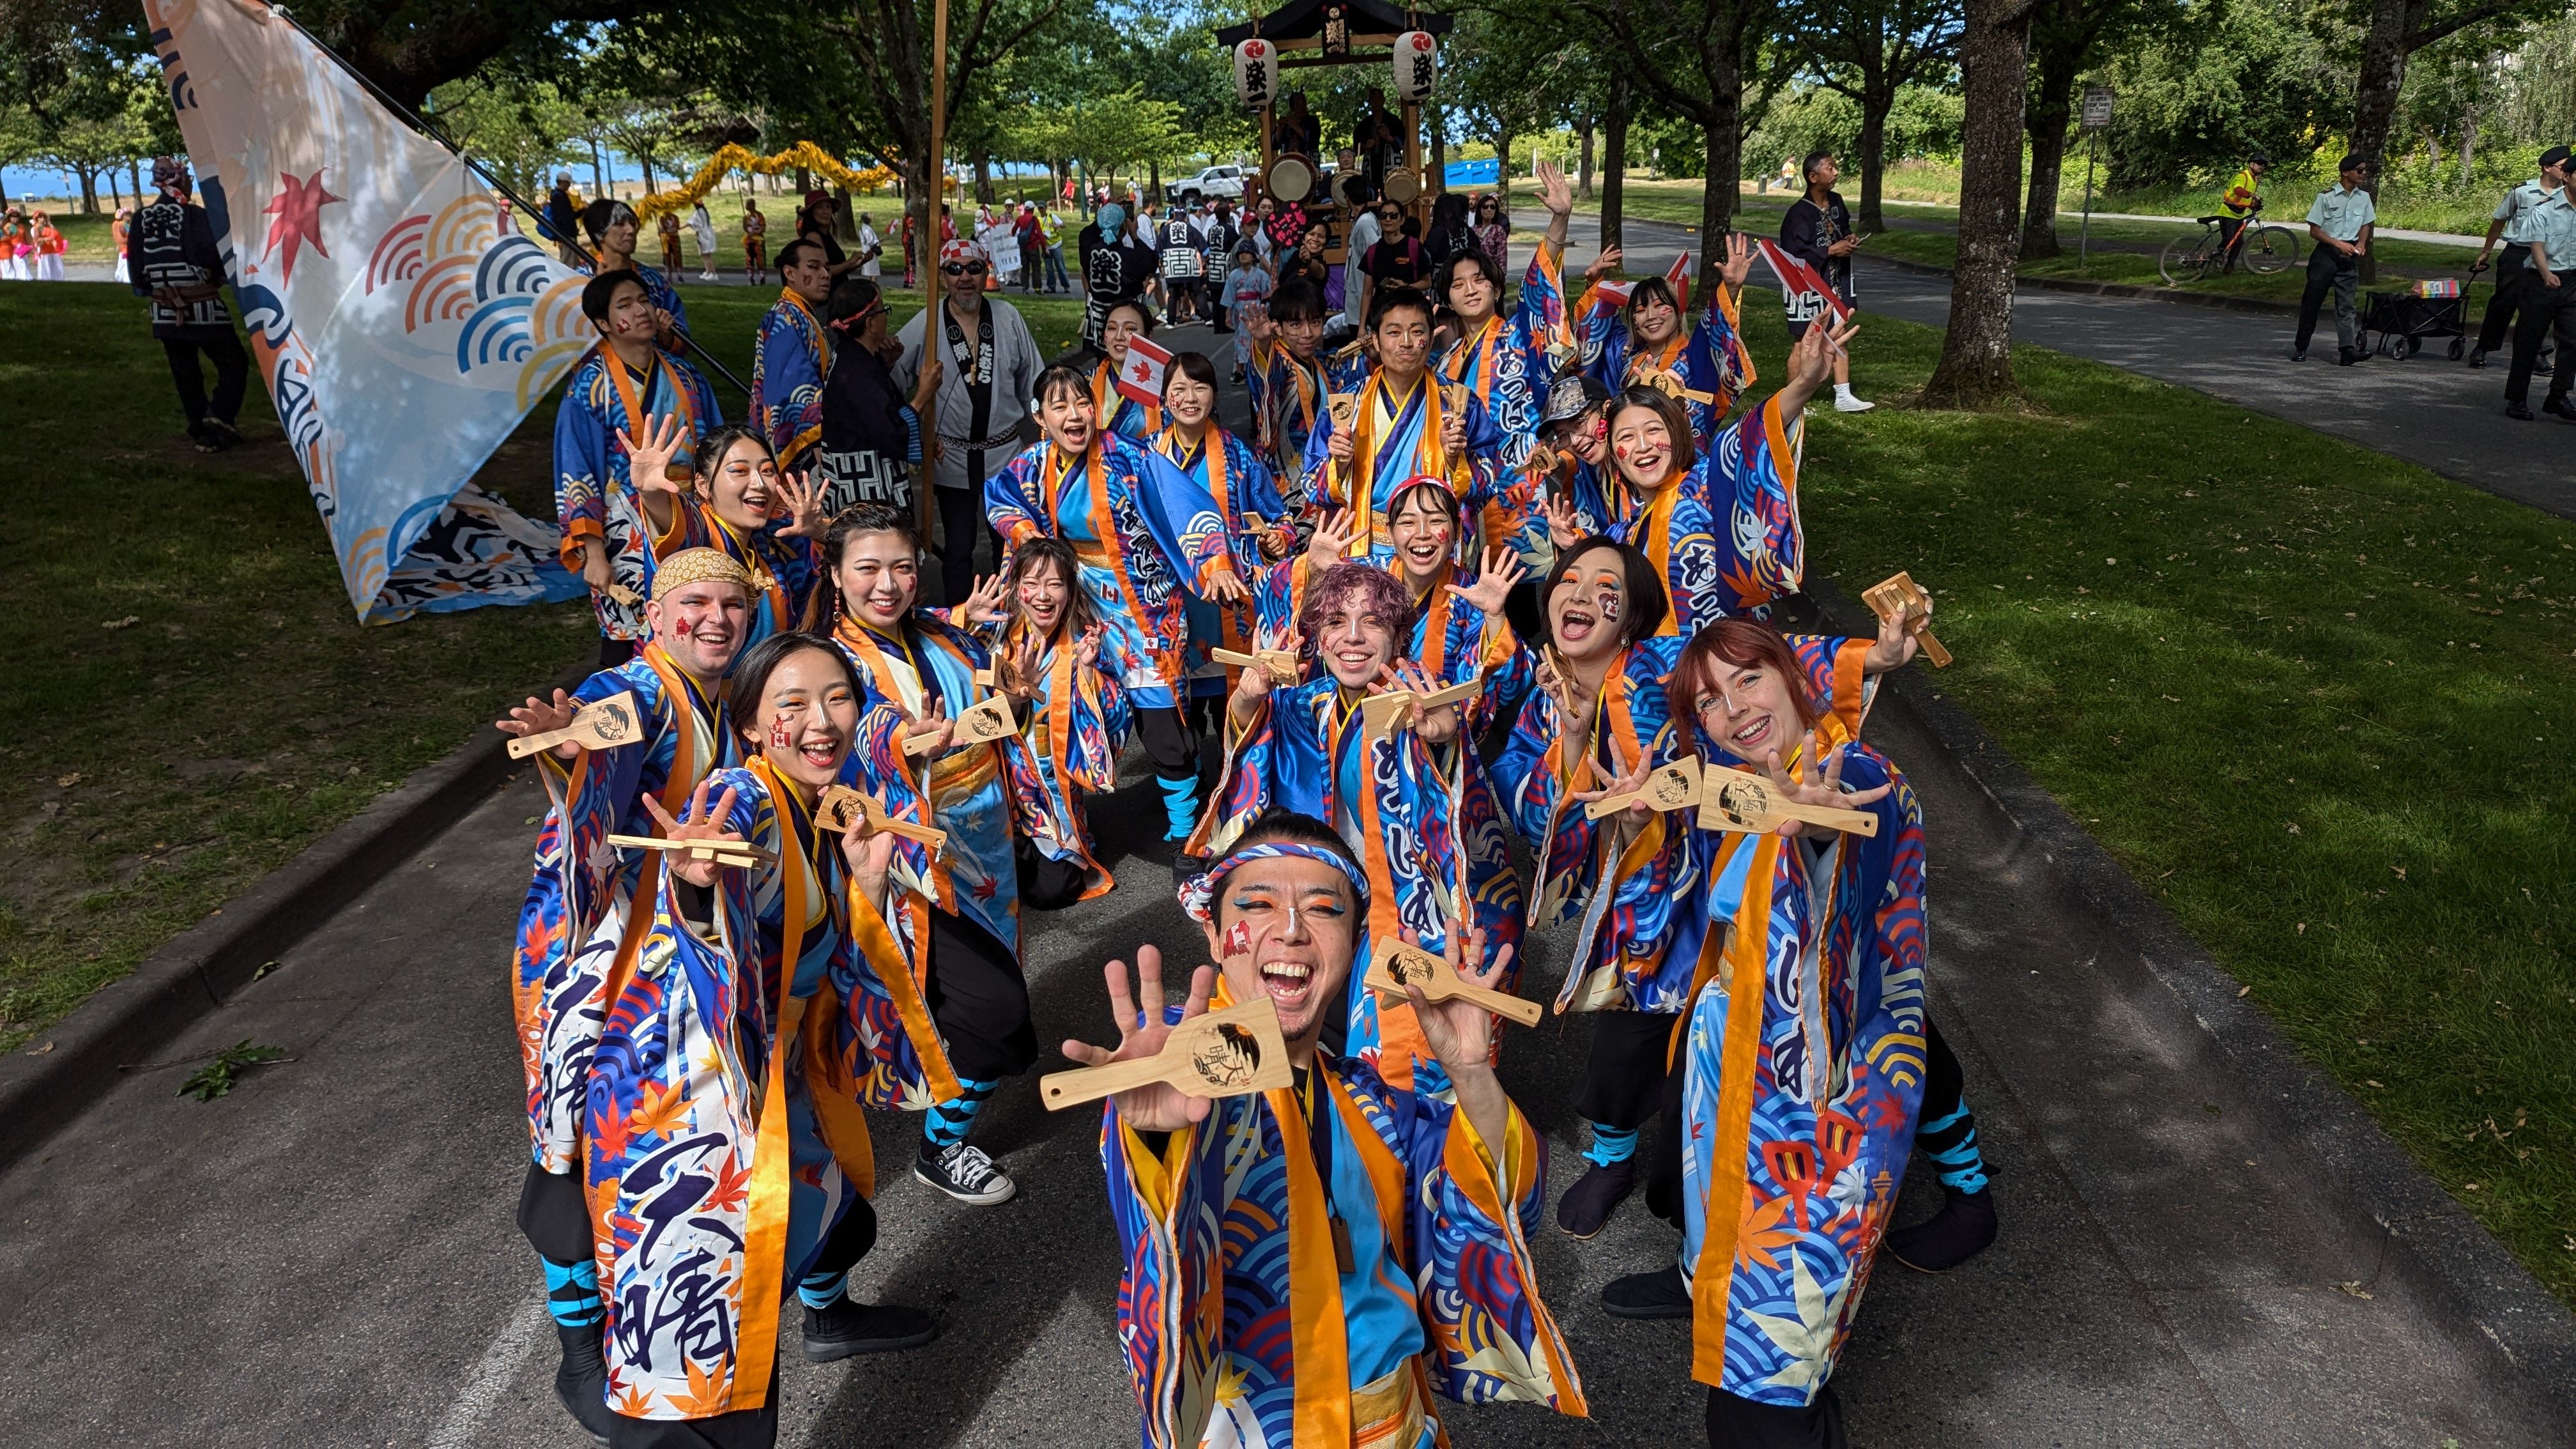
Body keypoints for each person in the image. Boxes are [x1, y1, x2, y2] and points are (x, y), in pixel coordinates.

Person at [1073, 815, 1588, 1445]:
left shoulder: (1365, 1096)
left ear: (1354, 943)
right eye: (1257, 904)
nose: (1290, 930)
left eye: (1323, 909)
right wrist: (1160, 1137)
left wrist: (1471, 1073)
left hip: (1395, 1422)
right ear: (1212, 934)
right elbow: (1162, 1221)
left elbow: (1480, 1201)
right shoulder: (1179, 1073)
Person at [579, 630, 947, 1438]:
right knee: (709, 1353)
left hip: (767, 1081)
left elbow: (830, 961)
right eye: (792, 705)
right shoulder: (746, 801)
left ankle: (824, 1320)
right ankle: (610, 1363)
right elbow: (716, 865)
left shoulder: (817, 803)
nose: (822, 721)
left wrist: (869, 884)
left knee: (834, 1223)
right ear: (749, 726)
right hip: (689, 1108)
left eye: (838, 698)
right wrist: (698, 884)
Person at [1586, 620, 1934, 1445]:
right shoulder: (1748, 786)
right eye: (1707, 701)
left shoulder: (1852, 779)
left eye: (1747, 680)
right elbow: (1685, 917)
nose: (1732, 709)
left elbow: (1843, 864)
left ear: (1789, 674)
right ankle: (1705, 1280)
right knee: (1717, 1234)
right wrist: (1633, 821)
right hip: (1736, 1065)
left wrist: (1815, 831)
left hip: (1817, 1112)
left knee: (1764, 1378)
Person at [495, 547, 752, 1443]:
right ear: (654, 619)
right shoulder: (639, 690)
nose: (714, 617)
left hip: (683, 967)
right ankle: (580, 1348)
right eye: (694, 603)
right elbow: (610, 732)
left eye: (731, 603)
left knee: (652, 1170)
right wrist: (581, 742)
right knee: (569, 1169)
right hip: (605, 974)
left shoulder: (726, 700)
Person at [1186, 558, 1523, 1091]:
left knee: (1401, 1050)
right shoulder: (1299, 705)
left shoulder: (1423, 704)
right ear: (1317, 639)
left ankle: (1402, 1144)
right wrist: (1245, 702)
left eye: (1373, 622)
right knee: (1303, 1022)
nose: (1353, 637)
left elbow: (1466, 815)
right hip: (1324, 895)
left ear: (1397, 638)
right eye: (1337, 622)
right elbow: (1251, 753)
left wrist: (1443, 744)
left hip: (1402, 904)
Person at [813, 506, 1053, 1204]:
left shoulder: (947, 636)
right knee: (996, 1014)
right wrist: (898, 747)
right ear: (834, 574)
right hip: (909, 864)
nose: (887, 584)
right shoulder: (830, 661)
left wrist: (1016, 701)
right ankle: (941, 1147)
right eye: (867, 568)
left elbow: (994, 720)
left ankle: (941, 1102)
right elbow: (849, 733)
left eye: (902, 566)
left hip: (985, 849)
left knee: (979, 998)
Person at [987, 363, 1249, 855]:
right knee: (1071, 697)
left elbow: (1184, 505)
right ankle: (1068, 819)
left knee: (1160, 713)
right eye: (1059, 405)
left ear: (1096, 408)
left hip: (1142, 603)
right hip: (1074, 600)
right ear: (1040, 417)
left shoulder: (1130, 458)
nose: (1074, 414)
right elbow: (1000, 502)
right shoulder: (1032, 464)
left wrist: (1212, 559)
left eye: (1082, 402)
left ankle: (1185, 824)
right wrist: (1033, 543)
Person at [1574, 320, 1853, 632]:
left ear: (1678, 433)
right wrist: (1569, 542)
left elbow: (1754, 433)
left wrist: (1804, 383)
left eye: (1653, 430)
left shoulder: (1707, 484)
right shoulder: (1622, 535)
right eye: (1625, 437)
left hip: (1735, 664)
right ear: (1612, 454)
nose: (1642, 446)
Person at [553, 268, 722, 661]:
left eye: (644, 300)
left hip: (691, 513)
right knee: (628, 632)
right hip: (623, 527)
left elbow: (715, 447)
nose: (641, 310)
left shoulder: (687, 376)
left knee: (696, 620)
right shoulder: (589, 387)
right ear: (604, 323)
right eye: (625, 305)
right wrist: (594, 553)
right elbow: (577, 470)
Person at [970, 537, 1133, 906]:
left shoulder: (1081, 644)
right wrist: (965, 615)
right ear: (1016, 588)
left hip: (1047, 804)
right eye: (1031, 583)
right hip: (990, 788)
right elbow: (925, 634)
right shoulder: (990, 635)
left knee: (1051, 892)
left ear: (1070, 591)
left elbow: (1115, 718)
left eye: (1055, 584)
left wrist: (1089, 674)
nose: (1042, 596)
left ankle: (1051, 846)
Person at [1302, 287, 1508, 567]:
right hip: (1364, 546)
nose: (1407, 343)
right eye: (1394, 332)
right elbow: (1312, 484)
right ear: (1375, 339)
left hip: (1432, 547)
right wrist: (1339, 464)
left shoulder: (1459, 404)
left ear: (1430, 336)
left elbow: (1489, 480)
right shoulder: (1346, 406)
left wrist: (1454, 458)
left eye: (1417, 331)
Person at [1436, 158, 1577, 558]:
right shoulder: (1444, 362)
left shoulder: (1519, 335)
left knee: (1536, 597)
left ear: (1497, 288)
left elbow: (1539, 291)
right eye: (1458, 285)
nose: (1470, 289)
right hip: (1469, 496)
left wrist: (1559, 223)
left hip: (1524, 490)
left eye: (1479, 279)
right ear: (1448, 299)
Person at [896, 237, 1047, 602]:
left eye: (974, 268)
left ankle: (1011, 615)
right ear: (944, 277)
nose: (965, 277)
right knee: (958, 547)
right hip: (952, 456)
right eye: (955, 269)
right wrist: (918, 431)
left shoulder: (1008, 317)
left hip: (1004, 453)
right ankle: (959, 624)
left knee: (1011, 542)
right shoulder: (928, 322)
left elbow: (1037, 380)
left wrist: (1046, 430)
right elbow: (891, 376)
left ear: (986, 273)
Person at [1151, 351, 1292, 721]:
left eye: (1201, 387)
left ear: (1214, 395)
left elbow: (1277, 517)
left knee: (1234, 699)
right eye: (1180, 388)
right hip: (1172, 593)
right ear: (1165, 398)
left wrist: (1273, 540)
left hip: (1229, 598)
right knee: (1179, 705)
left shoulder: (1238, 455)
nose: (1191, 398)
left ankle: (1235, 770)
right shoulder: (1147, 457)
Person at [629, 420, 829, 649]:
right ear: (703, 485)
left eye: (767, 471)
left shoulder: (778, 536)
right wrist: (651, 494)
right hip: (686, 680)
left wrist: (820, 532)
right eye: (740, 471)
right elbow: (672, 522)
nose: (760, 484)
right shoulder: (699, 532)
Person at [1581, 236, 1759, 448]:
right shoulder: (1629, 354)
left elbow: (1713, 329)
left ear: (1678, 310)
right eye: (1640, 310)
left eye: (1660, 306)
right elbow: (1599, 332)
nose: (1650, 316)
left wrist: (1730, 288)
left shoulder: (1693, 356)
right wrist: (1593, 282)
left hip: (1679, 460)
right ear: (1634, 321)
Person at [130, 157, 247, 454]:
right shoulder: (197, 217)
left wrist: (152, 288)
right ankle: (219, 417)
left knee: (186, 373)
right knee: (234, 362)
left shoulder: (140, 219)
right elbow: (215, 259)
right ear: (180, 181)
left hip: (164, 311)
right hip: (203, 308)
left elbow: (137, 270)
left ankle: (201, 428)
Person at [817, 274, 939, 513]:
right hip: (866, 495)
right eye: (884, 310)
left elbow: (869, 410)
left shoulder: (850, 356)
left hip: (853, 485)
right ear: (871, 323)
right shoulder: (857, 373)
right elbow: (891, 433)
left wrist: (885, 365)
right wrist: (923, 393)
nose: (886, 317)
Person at [1242, 277, 1359, 482]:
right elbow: (1265, 378)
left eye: (1315, 322)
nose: (1307, 333)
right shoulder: (1279, 364)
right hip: (1286, 476)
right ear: (1278, 328)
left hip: (1324, 468)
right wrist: (1262, 344)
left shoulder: (1324, 363)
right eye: (1296, 324)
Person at [1777, 150, 1869, 413]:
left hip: (1838, 278)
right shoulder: (1798, 214)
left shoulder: (1838, 202)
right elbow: (1792, 254)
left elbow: (1843, 230)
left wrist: (1850, 240)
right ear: (1813, 176)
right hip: (1805, 287)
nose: (1836, 172)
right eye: (1830, 167)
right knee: (1803, 341)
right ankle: (1792, 400)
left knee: (1839, 333)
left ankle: (1843, 394)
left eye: (1835, 167)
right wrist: (1830, 251)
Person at [2471, 146, 2569, 370]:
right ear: (2547, 168)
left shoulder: (2566, 193)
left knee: (2541, 306)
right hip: (2518, 253)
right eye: (2563, 167)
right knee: (2504, 302)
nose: (2567, 172)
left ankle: (2537, 354)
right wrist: (2486, 252)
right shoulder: (2522, 192)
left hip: (2547, 256)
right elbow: (2499, 221)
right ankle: (2483, 347)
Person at [753, 236, 834, 473]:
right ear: (789, 272)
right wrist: (815, 438)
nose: (825, 274)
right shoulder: (784, 317)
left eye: (826, 268)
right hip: (805, 447)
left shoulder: (799, 313)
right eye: (813, 267)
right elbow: (791, 385)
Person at [2505, 169, 2576, 421]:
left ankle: (2558, 396)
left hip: (2572, 282)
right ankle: (2517, 400)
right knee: (2528, 342)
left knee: (2572, 340)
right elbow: (2537, 246)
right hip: (2541, 281)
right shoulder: (2544, 209)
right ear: (2567, 177)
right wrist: (2546, 274)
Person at [2293, 154, 2377, 365]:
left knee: (2346, 306)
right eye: (2360, 170)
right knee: (2312, 303)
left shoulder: (2364, 198)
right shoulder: (2326, 197)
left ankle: (2347, 352)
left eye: (2365, 170)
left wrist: (2361, 244)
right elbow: (2314, 230)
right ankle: (2301, 347)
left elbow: (2366, 224)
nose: (2363, 174)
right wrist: (2338, 244)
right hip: (2325, 256)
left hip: (2348, 258)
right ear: (2345, 172)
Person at [582, 199, 690, 341]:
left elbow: (681, 333)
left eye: (633, 223)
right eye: (620, 224)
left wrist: (667, 335)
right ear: (599, 234)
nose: (631, 230)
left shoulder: (653, 280)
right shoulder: (581, 281)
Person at [1078, 201, 1156, 351]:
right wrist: (1135, 235)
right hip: (1125, 321)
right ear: (1124, 226)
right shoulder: (1128, 256)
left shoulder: (1090, 253)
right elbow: (1150, 262)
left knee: (1103, 364)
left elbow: (1086, 235)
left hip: (1099, 321)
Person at [1222, 241, 1273, 382]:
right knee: (1240, 338)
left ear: (1254, 256)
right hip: (1239, 310)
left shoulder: (1261, 275)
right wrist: (1227, 314)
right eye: (1241, 253)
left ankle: (1258, 367)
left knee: (1257, 338)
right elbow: (1229, 295)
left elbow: (1267, 294)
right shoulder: (1233, 276)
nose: (1243, 255)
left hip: (1256, 308)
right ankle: (1239, 369)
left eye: (1247, 253)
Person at [1340, 194, 1385, 335]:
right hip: (1359, 285)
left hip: (1364, 287)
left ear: (1348, 198)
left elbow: (1374, 253)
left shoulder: (1365, 222)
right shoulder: (1364, 218)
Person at [2216, 151, 2267, 270]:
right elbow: (2238, 190)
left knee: (2238, 242)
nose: (2262, 166)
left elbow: (2243, 200)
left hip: (2239, 215)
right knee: (2229, 239)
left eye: (2264, 165)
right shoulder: (2242, 176)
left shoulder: (2255, 179)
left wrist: (2253, 204)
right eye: (2260, 163)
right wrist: (2251, 195)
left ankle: (2229, 266)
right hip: (2227, 213)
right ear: (2251, 164)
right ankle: (2214, 257)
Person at [1157, 203, 1206, 323]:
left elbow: (1159, 251)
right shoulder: (1189, 228)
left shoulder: (1166, 229)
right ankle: (1205, 317)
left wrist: (1161, 263)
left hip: (1172, 265)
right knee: (1195, 291)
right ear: (1186, 215)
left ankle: (1172, 319)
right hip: (1189, 265)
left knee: (1173, 292)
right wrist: (1204, 261)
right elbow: (1203, 248)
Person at [798, 190, 857, 279]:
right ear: (811, 212)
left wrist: (861, 261)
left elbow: (841, 270)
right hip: (828, 292)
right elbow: (823, 271)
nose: (825, 211)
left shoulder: (826, 235)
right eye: (819, 207)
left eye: (828, 207)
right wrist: (849, 262)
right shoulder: (813, 236)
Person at [544, 171, 580, 265]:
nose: (569, 185)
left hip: (567, 233)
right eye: (568, 183)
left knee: (573, 259)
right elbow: (564, 217)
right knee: (569, 261)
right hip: (567, 234)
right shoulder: (559, 197)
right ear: (562, 182)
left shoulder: (559, 195)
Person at [1473, 192, 1509, 279]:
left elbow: (1502, 256)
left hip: (1491, 274)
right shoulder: (1473, 230)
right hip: (1475, 273)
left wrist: (1501, 277)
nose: (1489, 210)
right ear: (1480, 209)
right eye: (1485, 207)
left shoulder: (1498, 230)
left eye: (1492, 207)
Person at [742, 196, 770, 284]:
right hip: (749, 241)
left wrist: (756, 232)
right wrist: (748, 231)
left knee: (760, 259)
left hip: (759, 242)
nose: (746, 206)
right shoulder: (746, 217)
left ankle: (762, 277)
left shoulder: (760, 215)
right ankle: (751, 278)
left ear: (753, 205)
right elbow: (745, 227)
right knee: (749, 259)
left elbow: (763, 227)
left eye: (748, 204)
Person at [691, 199, 719, 281]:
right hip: (707, 235)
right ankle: (708, 271)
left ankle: (713, 273)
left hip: (703, 236)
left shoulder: (698, 213)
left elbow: (696, 224)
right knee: (704, 255)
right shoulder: (704, 211)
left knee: (706, 255)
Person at [656, 206, 686, 282]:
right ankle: (669, 275)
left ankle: (680, 275)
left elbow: (675, 229)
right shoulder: (662, 218)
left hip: (674, 240)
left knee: (677, 256)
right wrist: (660, 231)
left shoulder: (675, 218)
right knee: (667, 257)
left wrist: (665, 231)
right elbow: (661, 230)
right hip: (666, 241)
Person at [33, 210, 65, 280]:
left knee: (58, 269)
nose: (42, 218)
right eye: (40, 217)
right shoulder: (36, 227)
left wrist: (50, 224)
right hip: (45, 252)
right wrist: (46, 239)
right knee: (46, 272)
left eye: (44, 217)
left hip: (53, 251)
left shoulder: (49, 227)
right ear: (37, 218)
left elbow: (56, 234)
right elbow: (36, 240)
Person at [110, 205, 131, 285]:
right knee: (125, 269)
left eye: (130, 214)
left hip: (126, 250)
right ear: (122, 216)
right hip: (126, 251)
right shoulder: (119, 224)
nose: (129, 217)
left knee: (122, 269)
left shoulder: (126, 225)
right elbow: (121, 239)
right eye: (127, 215)